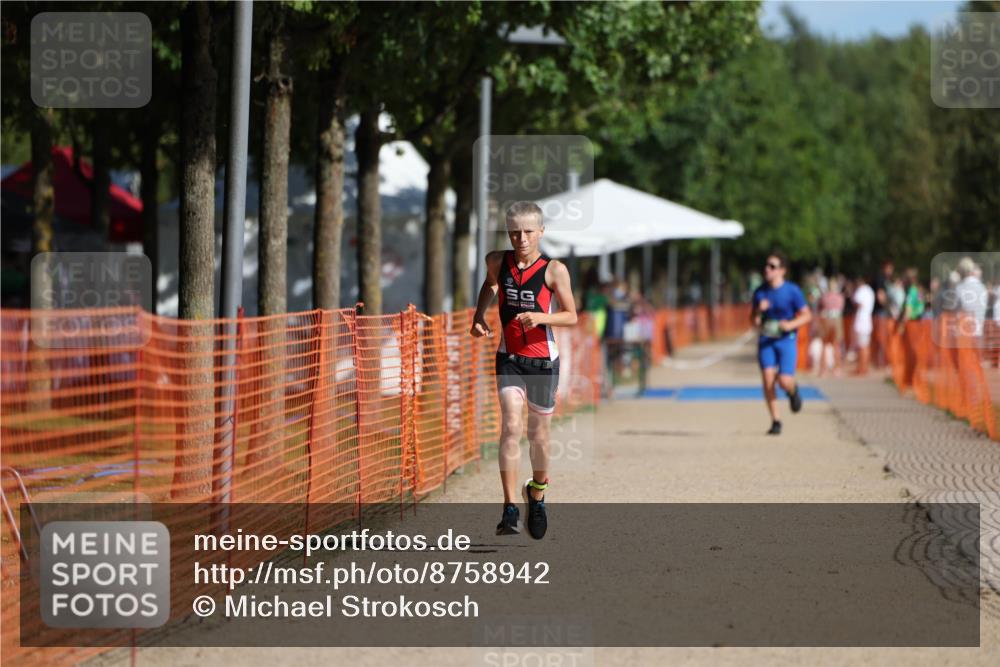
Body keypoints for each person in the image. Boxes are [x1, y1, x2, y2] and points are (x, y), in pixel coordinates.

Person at [470, 201, 577, 539]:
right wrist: (479, 315)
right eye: (515, 232)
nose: (522, 239)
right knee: (511, 426)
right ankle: (509, 508)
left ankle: (538, 493)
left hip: (543, 361)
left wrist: (541, 317)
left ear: (541, 231)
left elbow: (572, 315)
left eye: (529, 232)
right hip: (510, 357)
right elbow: (491, 284)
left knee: (539, 436)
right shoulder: (496, 261)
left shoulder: (554, 270)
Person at [751, 251, 812, 435]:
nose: (767, 269)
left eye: (772, 266)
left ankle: (793, 391)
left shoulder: (792, 290)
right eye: (766, 265)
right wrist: (758, 311)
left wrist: (790, 325)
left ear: (782, 270)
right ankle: (776, 421)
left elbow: (807, 315)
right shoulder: (760, 292)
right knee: (768, 379)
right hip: (766, 341)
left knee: (784, 381)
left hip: (786, 340)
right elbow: (753, 322)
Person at [852, 274, 876, 376]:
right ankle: (864, 367)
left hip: (862, 321)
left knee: (862, 346)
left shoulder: (861, 290)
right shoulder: (870, 291)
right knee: (865, 345)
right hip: (867, 321)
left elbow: (858, 303)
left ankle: (862, 368)